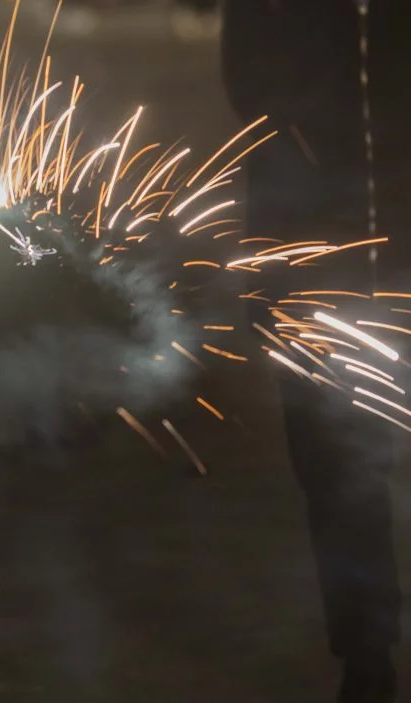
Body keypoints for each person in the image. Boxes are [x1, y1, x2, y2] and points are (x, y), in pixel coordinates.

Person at [221, 2, 407, 701]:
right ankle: (368, 651)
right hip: (310, 262)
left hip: (385, 244)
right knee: (337, 466)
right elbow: (254, 93)